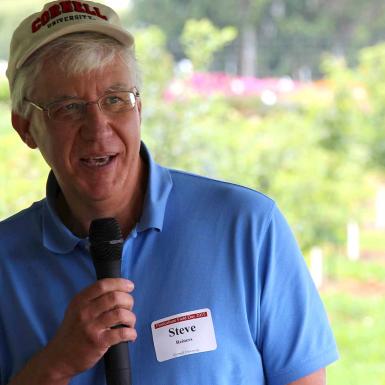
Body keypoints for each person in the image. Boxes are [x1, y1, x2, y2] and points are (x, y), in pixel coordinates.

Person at [0, 1, 338, 384]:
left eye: (115, 99)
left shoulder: (247, 227)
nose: (98, 129)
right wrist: (56, 364)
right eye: (68, 107)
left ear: (139, 107)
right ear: (25, 126)